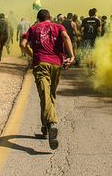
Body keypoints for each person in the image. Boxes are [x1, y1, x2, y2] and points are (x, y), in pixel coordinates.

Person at [20, 9, 75, 150]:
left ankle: (51, 124)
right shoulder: (59, 26)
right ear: (50, 17)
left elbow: (22, 45)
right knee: (49, 95)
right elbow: (66, 37)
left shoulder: (33, 28)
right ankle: (45, 128)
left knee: (45, 95)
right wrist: (72, 55)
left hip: (41, 63)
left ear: (38, 18)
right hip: (56, 64)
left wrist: (32, 55)